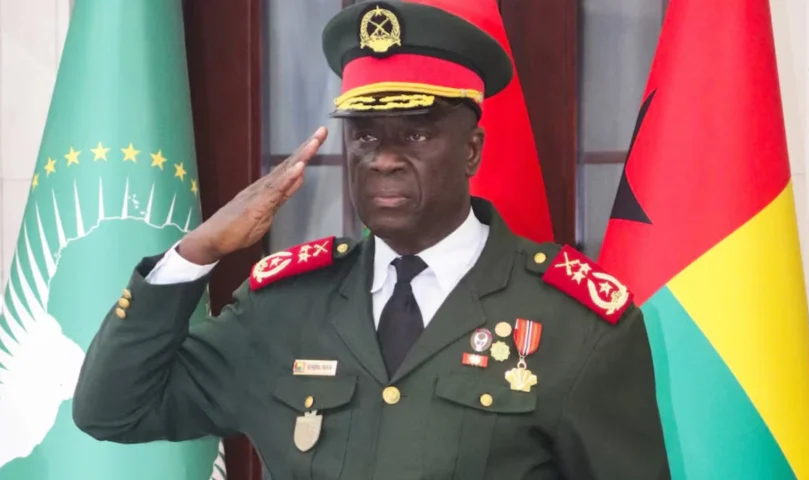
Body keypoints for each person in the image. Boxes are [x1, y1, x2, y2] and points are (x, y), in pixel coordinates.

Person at [73, 1, 671, 478]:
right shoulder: (284, 308)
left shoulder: (575, 325)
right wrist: (196, 252)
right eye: (363, 137)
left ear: (471, 150)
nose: (382, 160)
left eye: (414, 136)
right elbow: (112, 410)